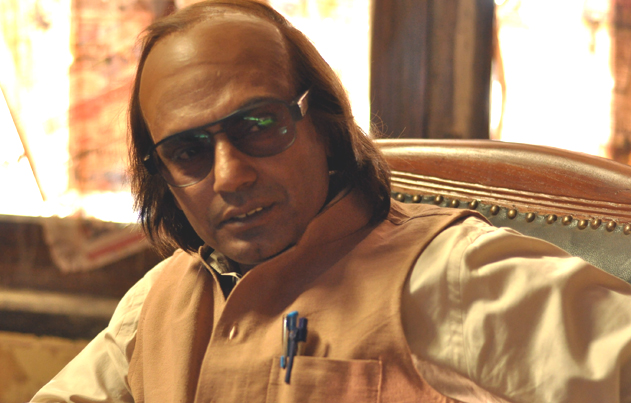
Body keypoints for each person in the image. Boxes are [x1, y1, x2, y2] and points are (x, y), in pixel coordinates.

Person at [32, 1, 631, 402]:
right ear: (162, 177)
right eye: (188, 152)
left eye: (259, 124)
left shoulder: (451, 276)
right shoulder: (158, 303)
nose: (231, 175)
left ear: (322, 125)